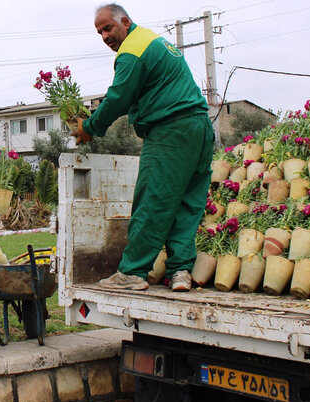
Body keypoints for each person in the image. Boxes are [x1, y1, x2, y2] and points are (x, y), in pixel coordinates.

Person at [73, 4, 214, 292]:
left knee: (153, 200)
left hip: (170, 132)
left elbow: (118, 98)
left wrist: (89, 127)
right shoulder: (155, 41)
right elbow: (139, 94)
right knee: (186, 204)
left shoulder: (132, 51)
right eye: (99, 32)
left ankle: (133, 272)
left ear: (125, 21)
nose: (104, 36)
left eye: (108, 28)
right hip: (199, 128)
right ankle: (180, 271)